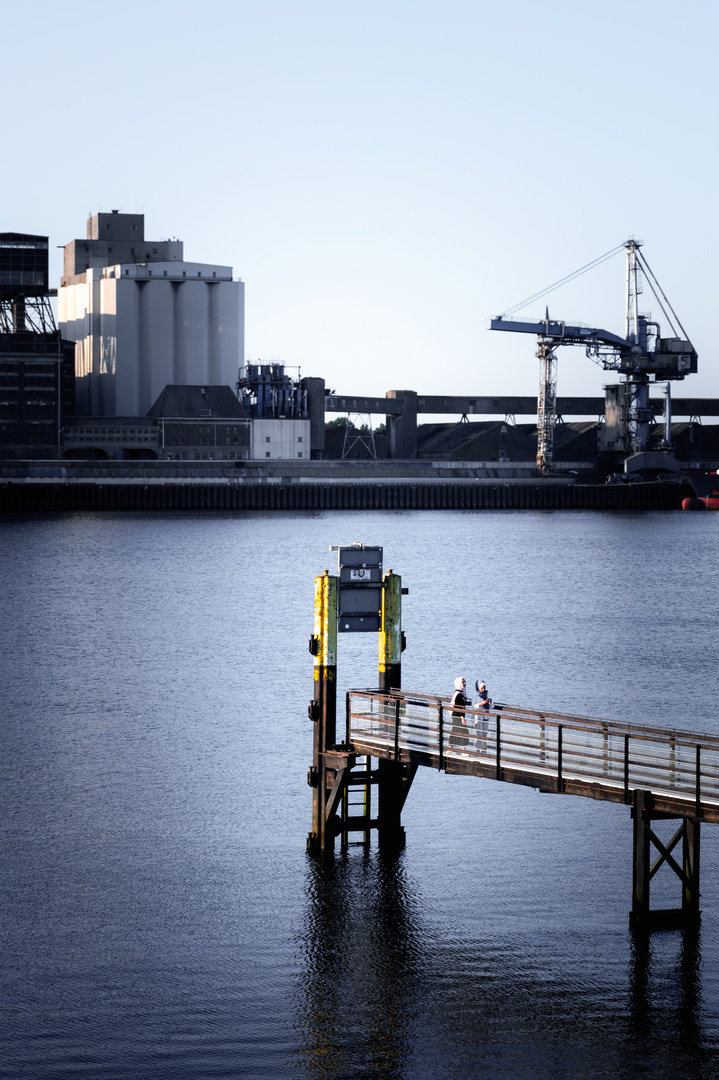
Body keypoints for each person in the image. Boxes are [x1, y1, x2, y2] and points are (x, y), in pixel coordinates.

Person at [450, 677, 470, 750]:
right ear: (458, 683)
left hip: (458, 715)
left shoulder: (462, 692)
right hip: (457, 715)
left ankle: (451, 747)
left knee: (456, 730)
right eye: (462, 682)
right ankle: (462, 749)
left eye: (465, 681)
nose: (464, 683)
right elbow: (459, 707)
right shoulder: (458, 694)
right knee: (462, 731)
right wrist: (462, 718)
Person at [474, 679, 492, 750]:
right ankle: (478, 749)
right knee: (479, 734)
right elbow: (473, 706)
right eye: (482, 688)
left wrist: (490, 702)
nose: (483, 689)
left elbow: (492, 706)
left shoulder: (487, 693)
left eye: (484, 687)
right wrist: (481, 704)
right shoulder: (475, 695)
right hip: (478, 717)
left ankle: (484, 749)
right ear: (478, 687)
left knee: (485, 733)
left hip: (486, 716)